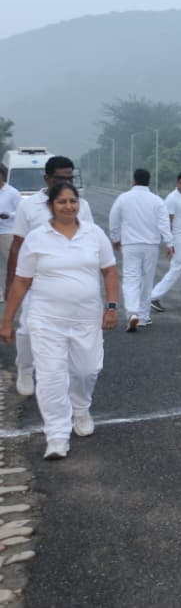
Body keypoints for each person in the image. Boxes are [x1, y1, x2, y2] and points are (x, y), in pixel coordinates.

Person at [1, 181, 119, 459]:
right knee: (52, 376)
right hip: (46, 320)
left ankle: (81, 408)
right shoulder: (37, 237)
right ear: (51, 206)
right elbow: (21, 281)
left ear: (79, 204)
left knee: (86, 370)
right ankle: (56, 435)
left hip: (86, 319)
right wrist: (8, 319)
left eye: (72, 201)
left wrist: (111, 307)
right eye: (62, 202)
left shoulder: (94, 234)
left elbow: (110, 272)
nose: (68, 206)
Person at [6, 157, 94, 397]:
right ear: (47, 179)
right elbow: (17, 246)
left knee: (69, 331)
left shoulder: (81, 206)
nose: (66, 182)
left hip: (70, 279)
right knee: (25, 329)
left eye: (70, 178)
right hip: (34, 278)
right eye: (60, 178)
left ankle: (63, 377)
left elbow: (91, 241)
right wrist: (10, 284)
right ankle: (25, 368)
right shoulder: (29, 206)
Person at [108, 168, 174, 331]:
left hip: (130, 244)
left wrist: (115, 239)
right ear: (149, 180)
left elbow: (114, 220)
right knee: (147, 280)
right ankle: (144, 316)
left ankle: (132, 312)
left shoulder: (123, 199)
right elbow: (163, 223)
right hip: (150, 245)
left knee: (131, 279)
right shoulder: (157, 200)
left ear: (134, 180)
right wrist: (169, 243)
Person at [149, 172, 181, 311]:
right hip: (179, 238)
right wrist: (169, 243)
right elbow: (167, 221)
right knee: (176, 268)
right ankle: (154, 297)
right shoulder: (172, 198)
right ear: (177, 184)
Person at [0, 165, 20, 304]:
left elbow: (20, 211)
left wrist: (9, 215)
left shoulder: (12, 192)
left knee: (12, 263)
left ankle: (15, 291)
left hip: (7, 232)